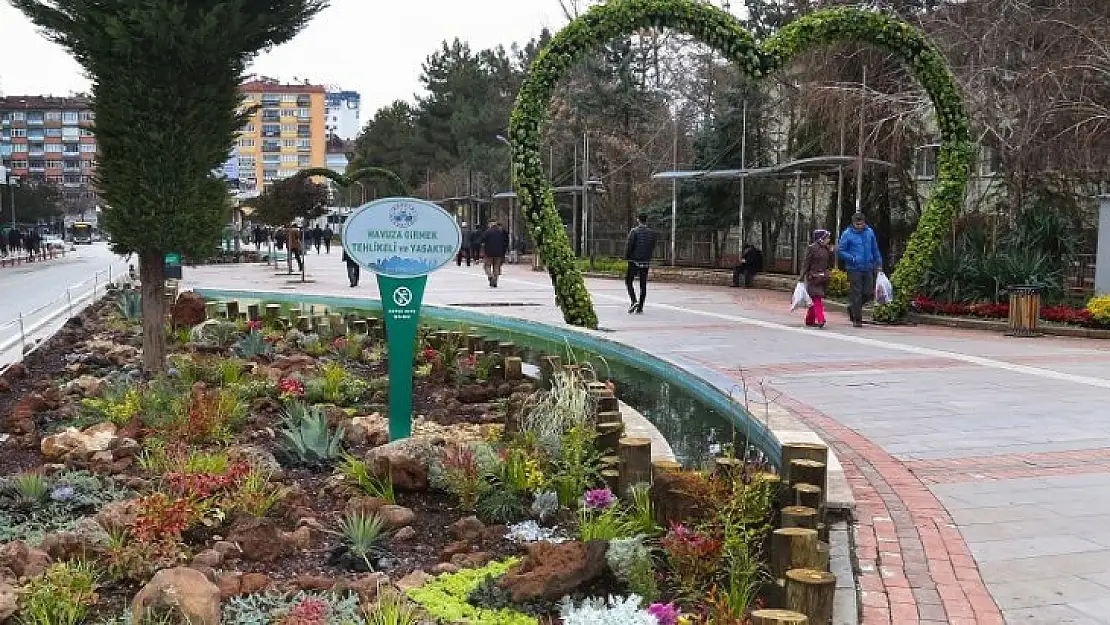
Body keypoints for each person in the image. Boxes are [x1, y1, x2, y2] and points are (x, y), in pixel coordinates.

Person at [838, 212, 883, 328]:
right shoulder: (847, 234)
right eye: (856, 224)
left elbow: (875, 248)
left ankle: (853, 308)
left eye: (861, 224)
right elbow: (841, 250)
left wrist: (879, 263)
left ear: (864, 222)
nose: (859, 226)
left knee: (868, 292)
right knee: (856, 293)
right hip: (854, 268)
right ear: (853, 223)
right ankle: (857, 319)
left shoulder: (869, 232)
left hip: (868, 266)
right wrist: (852, 258)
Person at [800, 229, 835, 328]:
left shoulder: (827, 249)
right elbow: (806, 264)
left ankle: (809, 320)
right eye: (827, 237)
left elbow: (830, 264)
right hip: (813, 277)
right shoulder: (812, 248)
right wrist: (802, 277)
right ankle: (821, 319)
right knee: (817, 298)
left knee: (814, 299)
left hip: (823, 277)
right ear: (821, 238)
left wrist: (832, 253)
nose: (829, 239)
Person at [624, 213, 658, 314]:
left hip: (634, 261)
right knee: (643, 285)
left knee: (628, 281)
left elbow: (629, 245)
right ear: (646, 220)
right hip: (645, 262)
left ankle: (634, 300)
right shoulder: (651, 233)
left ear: (638, 220)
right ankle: (640, 307)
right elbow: (652, 246)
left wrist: (627, 257)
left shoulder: (634, 232)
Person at [481, 220, 510, 288]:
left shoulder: (488, 232)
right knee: (496, 267)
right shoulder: (501, 232)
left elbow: (482, 239)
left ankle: (490, 276)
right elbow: (505, 242)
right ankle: (495, 281)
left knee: (486, 266)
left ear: (490, 224)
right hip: (499, 253)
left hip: (489, 252)